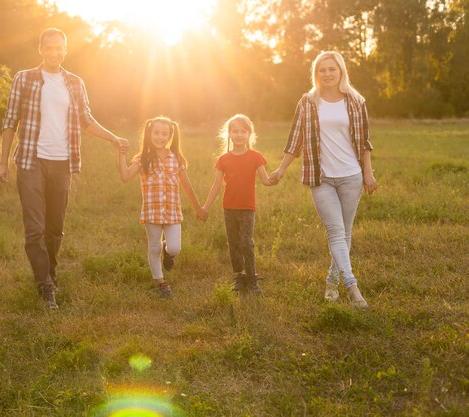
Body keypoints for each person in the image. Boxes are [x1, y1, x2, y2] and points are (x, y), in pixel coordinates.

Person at [0, 28, 129, 309]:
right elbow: (10, 121)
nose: (54, 52)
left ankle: (50, 276)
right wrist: (3, 162)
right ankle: (45, 286)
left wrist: (114, 138)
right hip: (31, 161)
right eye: (49, 48)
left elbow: (87, 120)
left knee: (55, 229)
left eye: (59, 48)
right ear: (41, 49)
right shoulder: (25, 78)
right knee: (35, 228)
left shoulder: (75, 83)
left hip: (62, 163)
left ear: (65, 49)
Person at [270, 51, 377, 308]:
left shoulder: (355, 101)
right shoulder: (308, 102)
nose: (327, 74)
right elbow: (295, 141)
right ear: (316, 74)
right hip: (322, 178)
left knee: (345, 233)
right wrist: (281, 169)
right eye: (322, 70)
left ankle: (331, 283)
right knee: (335, 231)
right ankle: (352, 287)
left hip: (351, 176)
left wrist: (368, 172)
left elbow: (364, 142)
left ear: (341, 71)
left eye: (332, 69)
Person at [117, 116, 207, 298]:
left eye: (164, 134)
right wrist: (121, 154)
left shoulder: (177, 159)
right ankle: (160, 282)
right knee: (154, 248)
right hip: (152, 212)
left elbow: (186, 185)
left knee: (175, 248)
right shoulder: (143, 159)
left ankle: (168, 253)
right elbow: (125, 176)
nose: (160, 137)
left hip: (173, 211)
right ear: (149, 134)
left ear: (170, 136)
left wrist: (198, 208)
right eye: (156, 133)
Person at [202, 114, 274, 293]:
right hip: (229, 207)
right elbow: (216, 186)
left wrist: (278, 174)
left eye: (243, 131)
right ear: (230, 134)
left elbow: (265, 180)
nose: (239, 135)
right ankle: (239, 276)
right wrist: (205, 207)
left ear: (249, 134)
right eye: (235, 131)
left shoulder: (256, 157)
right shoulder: (224, 159)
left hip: (247, 207)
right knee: (233, 242)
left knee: (246, 242)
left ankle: (252, 278)